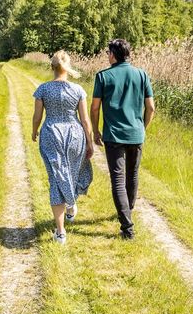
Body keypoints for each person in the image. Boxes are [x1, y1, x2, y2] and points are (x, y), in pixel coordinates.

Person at [90, 38, 155, 239]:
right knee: (132, 175)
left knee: (118, 180)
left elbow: (94, 107)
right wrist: (142, 128)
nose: (107, 56)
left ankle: (127, 227)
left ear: (113, 54)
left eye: (108, 52)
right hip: (136, 135)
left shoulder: (103, 76)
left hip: (114, 136)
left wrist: (95, 130)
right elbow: (151, 107)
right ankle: (128, 211)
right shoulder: (142, 75)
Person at [31, 50, 95, 244]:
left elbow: (37, 116)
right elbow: (84, 120)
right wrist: (89, 142)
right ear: (67, 67)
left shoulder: (43, 89)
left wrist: (34, 131)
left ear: (52, 67)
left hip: (51, 134)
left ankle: (61, 232)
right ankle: (70, 204)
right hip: (75, 135)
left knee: (56, 178)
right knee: (71, 172)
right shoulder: (78, 90)